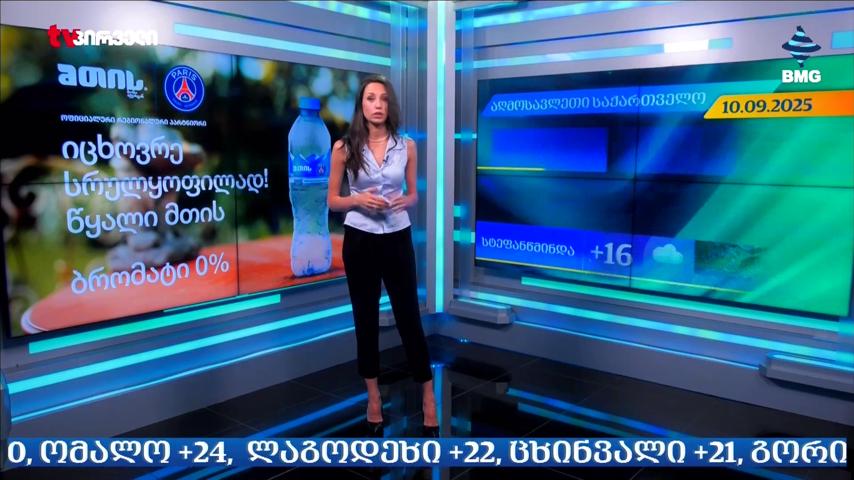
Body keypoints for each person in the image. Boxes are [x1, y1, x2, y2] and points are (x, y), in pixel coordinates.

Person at [327, 75, 439, 437]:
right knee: (365, 319)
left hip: (397, 237)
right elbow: (332, 201)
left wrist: (407, 199)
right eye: (371, 98)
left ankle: (428, 396)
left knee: (409, 317)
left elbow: (413, 193)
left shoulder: (407, 146)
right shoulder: (344, 148)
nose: (377, 105)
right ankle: (373, 397)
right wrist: (357, 199)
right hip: (359, 239)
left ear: (390, 106)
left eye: (383, 99)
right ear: (361, 105)